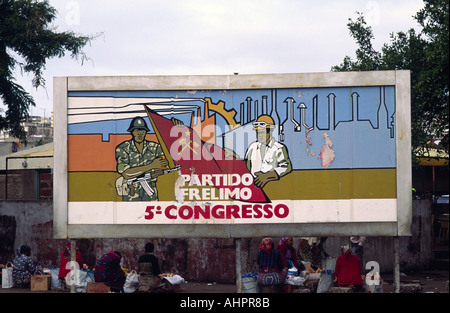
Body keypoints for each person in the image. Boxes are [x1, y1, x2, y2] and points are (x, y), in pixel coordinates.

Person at [115, 116, 169, 201]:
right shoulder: (123, 148)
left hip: (150, 193)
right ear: (132, 132)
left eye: (143, 130)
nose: (140, 133)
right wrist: (151, 166)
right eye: (137, 130)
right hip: (131, 194)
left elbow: (169, 158)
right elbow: (126, 173)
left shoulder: (154, 147)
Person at [245, 115, 292, 188]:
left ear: (270, 131)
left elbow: (286, 166)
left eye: (262, 133)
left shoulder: (279, 148)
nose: (259, 135)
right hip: (253, 187)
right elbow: (246, 165)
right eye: (258, 133)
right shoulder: (252, 147)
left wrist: (267, 176)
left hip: (273, 187)